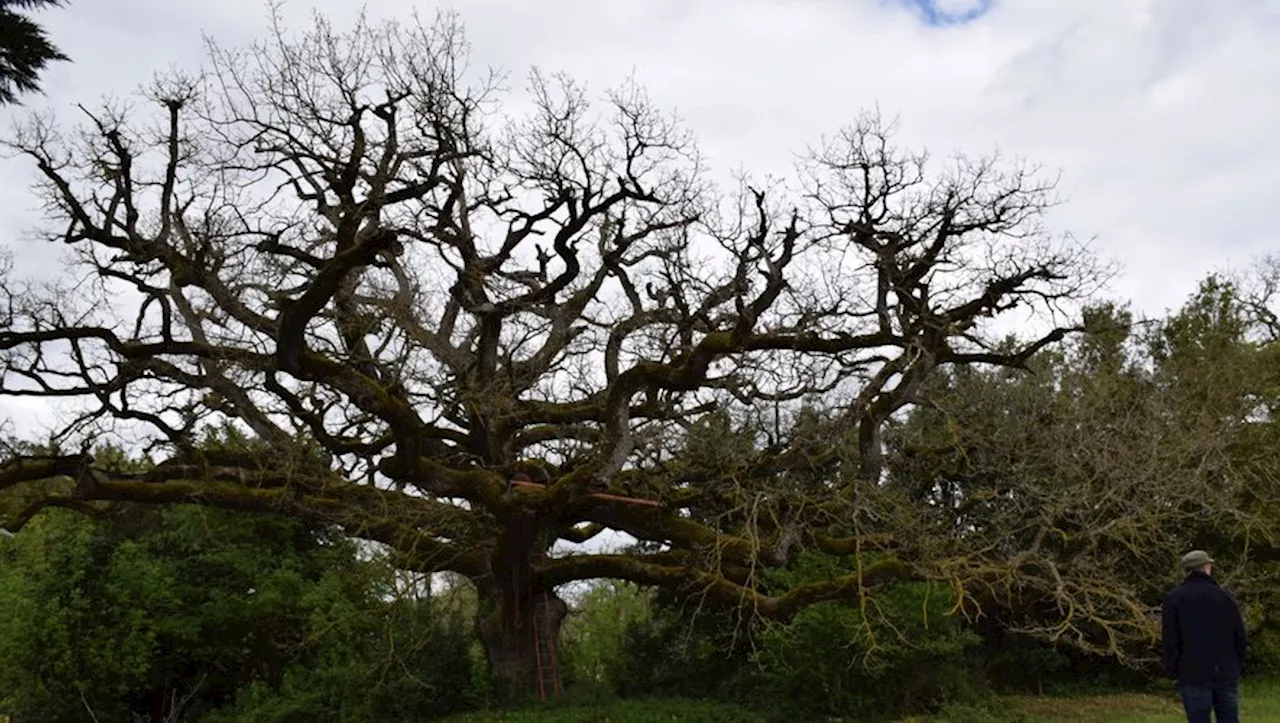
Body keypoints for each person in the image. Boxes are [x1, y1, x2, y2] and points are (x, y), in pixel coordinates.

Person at [1162, 550, 1248, 723]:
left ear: (1186, 570)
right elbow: (1240, 636)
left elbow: (1170, 640)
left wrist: (1174, 669)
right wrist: (1237, 664)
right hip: (1226, 670)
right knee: (1229, 718)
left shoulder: (1174, 599)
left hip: (1192, 671)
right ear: (1207, 567)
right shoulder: (1225, 597)